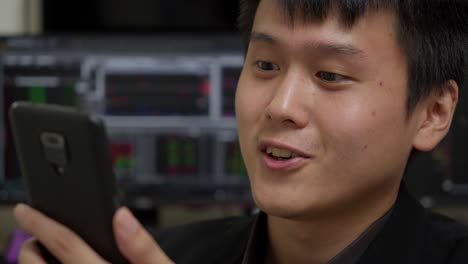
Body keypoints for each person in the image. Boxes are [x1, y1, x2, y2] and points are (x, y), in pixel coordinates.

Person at [12, 0, 468, 263]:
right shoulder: (162, 256)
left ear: (433, 112)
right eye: (265, 65)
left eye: (330, 75)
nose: (280, 107)